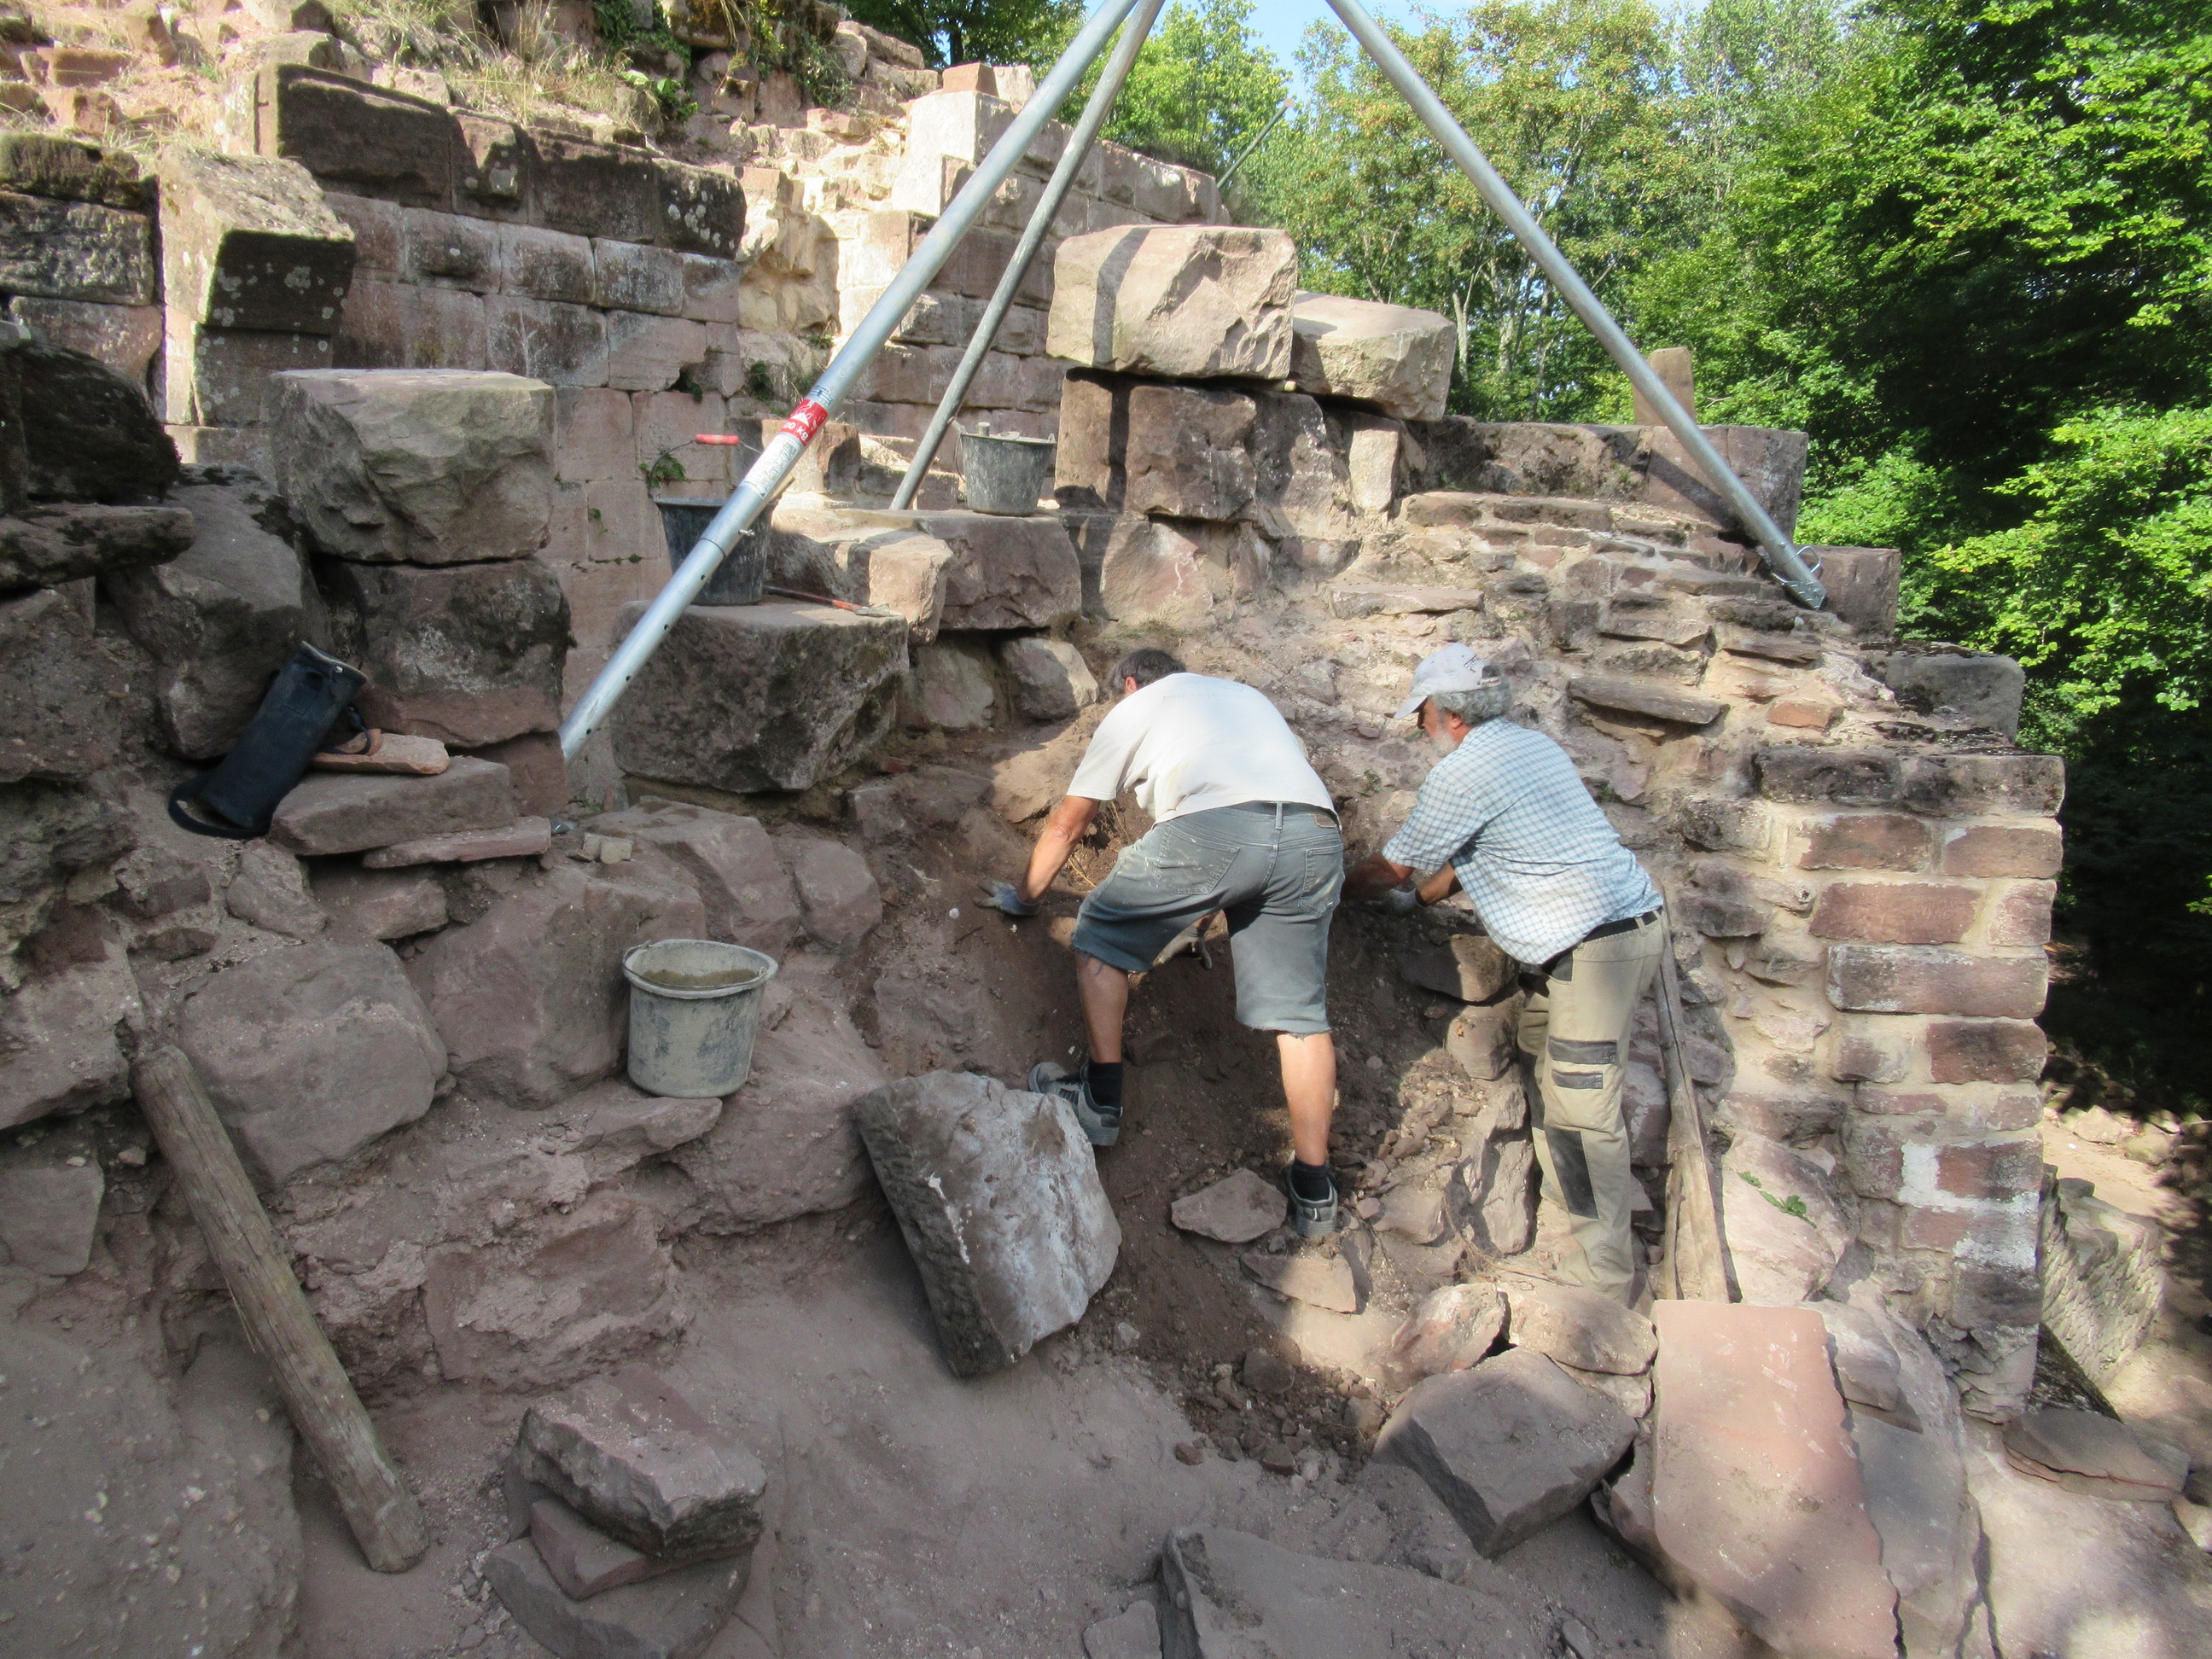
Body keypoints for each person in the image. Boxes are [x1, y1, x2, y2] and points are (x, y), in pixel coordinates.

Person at [1344, 643, 1664, 1302]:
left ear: (1453, 713)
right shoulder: (1528, 747)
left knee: (1583, 1107)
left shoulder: (1465, 773)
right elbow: (1472, 850)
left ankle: (1604, 1278)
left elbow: (1391, 868)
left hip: (1597, 947)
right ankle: (1571, 1219)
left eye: (1423, 712)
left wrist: (1329, 892)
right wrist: (1419, 903)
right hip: (1594, 941)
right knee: (1542, 1064)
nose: (1418, 726)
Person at [992, 649, 1346, 1237]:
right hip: (1316, 835)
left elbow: (1067, 824)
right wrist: (1199, 914)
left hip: (1217, 829)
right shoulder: (1246, 696)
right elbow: (1266, 819)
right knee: (1300, 1016)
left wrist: (1026, 897)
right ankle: (1315, 1190)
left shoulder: (1138, 708)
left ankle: (1099, 1100)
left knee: (1101, 931)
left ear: (1131, 684)